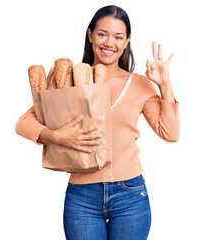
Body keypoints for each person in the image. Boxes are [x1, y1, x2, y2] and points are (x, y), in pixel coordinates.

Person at [15, 5, 180, 240]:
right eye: (102, 34)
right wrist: (57, 136)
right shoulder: (72, 80)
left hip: (130, 195)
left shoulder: (141, 84)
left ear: (127, 41)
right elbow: (22, 123)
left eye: (118, 37)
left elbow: (171, 133)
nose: (109, 43)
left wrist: (165, 85)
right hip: (82, 197)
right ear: (90, 34)